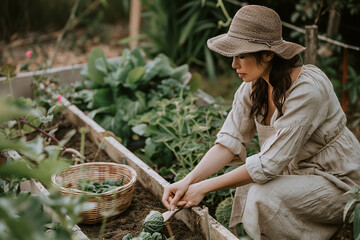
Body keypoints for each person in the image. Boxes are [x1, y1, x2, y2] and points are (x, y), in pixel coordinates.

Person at [161, 4, 360, 240]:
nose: (234, 64)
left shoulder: (307, 91)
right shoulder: (254, 85)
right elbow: (229, 141)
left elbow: (269, 165)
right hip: (299, 175)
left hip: (339, 184)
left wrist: (203, 188)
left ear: (267, 54)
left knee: (261, 194)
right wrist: (188, 180)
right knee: (247, 185)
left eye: (241, 56)